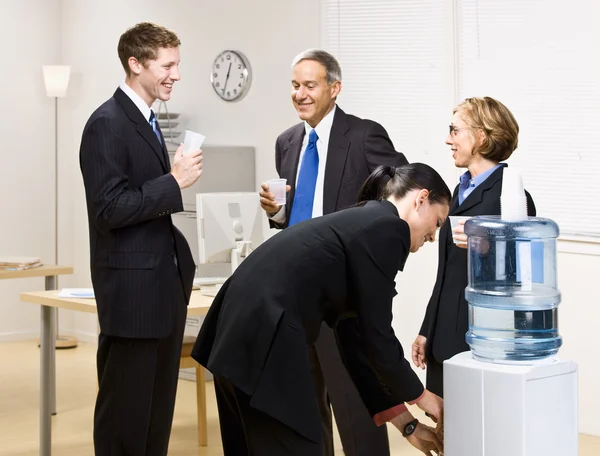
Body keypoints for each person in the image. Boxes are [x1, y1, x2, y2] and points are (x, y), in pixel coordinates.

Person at [192, 163, 449, 456]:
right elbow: (378, 338)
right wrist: (422, 396)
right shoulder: (390, 228)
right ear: (421, 198)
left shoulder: (365, 220)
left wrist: (407, 425)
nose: (432, 238)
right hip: (265, 332)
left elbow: (357, 340)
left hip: (238, 328)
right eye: (438, 223)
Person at [259, 48, 409, 456]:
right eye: (294, 85)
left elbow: (402, 193)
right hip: (295, 294)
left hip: (342, 294)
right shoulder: (286, 142)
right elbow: (296, 212)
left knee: (357, 409)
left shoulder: (363, 135)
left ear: (334, 88)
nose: (300, 94)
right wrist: (277, 213)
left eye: (310, 85)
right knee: (304, 411)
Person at [79, 22, 203, 455]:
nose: (176, 74)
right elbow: (108, 208)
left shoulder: (145, 120)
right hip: (132, 299)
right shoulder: (106, 123)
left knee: (154, 422)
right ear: (135, 64)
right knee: (125, 423)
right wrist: (173, 181)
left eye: (177, 64)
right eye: (167, 65)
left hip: (160, 292)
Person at [412, 97, 536, 397]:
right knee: (447, 436)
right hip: (445, 338)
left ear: (480, 136)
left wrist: (490, 243)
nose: (447, 139)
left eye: (455, 130)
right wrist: (428, 328)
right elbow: (447, 272)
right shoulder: (460, 189)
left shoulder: (512, 194)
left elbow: (523, 276)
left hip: (481, 341)